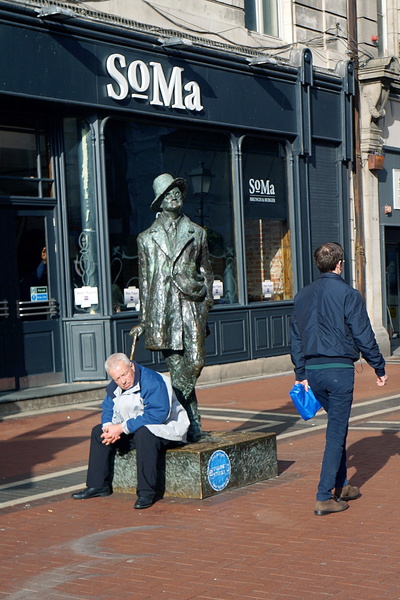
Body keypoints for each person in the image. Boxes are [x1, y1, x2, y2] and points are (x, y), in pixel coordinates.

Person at [290, 242, 388, 516]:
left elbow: (296, 339)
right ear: (340, 264)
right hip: (338, 372)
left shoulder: (302, 295)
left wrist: (300, 374)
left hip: (313, 371)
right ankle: (324, 497)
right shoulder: (348, 293)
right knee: (336, 433)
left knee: (337, 428)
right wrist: (379, 367)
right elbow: (363, 334)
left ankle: (342, 485)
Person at [130, 173, 214, 442]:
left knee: (196, 362)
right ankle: (193, 424)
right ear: (160, 201)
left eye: (177, 191)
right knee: (178, 368)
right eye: (168, 193)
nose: (174, 196)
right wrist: (144, 320)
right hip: (163, 311)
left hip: (192, 306)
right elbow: (144, 282)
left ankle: (168, 412)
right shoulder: (146, 238)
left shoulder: (197, 232)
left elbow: (207, 271)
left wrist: (206, 305)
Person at [72, 353, 190, 509]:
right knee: (97, 432)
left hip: (166, 430)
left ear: (132, 366)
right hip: (134, 428)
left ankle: (146, 493)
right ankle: (98, 485)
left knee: (144, 435)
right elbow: (108, 407)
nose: (123, 381)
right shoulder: (116, 385)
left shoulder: (153, 381)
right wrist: (108, 428)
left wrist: (120, 428)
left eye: (124, 374)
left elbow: (157, 415)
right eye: (117, 379)